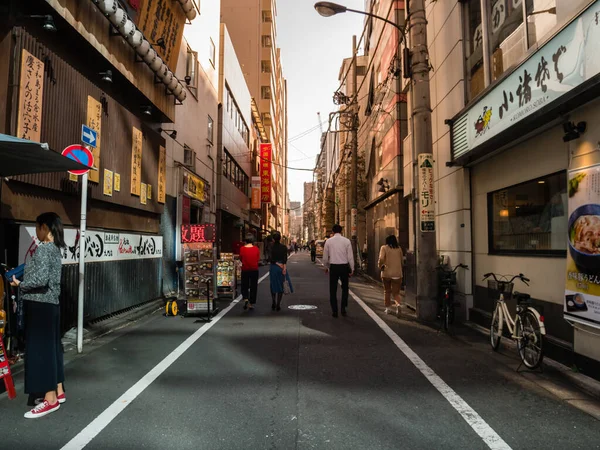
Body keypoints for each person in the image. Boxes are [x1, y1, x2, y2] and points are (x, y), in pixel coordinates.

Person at [10, 212, 66, 418]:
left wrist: (20, 284)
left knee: (40, 351)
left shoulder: (44, 250)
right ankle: (58, 391)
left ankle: (50, 399)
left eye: (37, 227)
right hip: (51, 305)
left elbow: (40, 279)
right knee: (51, 349)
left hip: (40, 305)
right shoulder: (55, 250)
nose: (36, 231)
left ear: (45, 227)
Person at [322, 224, 354, 318]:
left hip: (334, 267)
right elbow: (350, 257)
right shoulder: (346, 241)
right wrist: (352, 268)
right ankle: (343, 308)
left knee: (333, 289)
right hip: (344, 267)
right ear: (341, 231)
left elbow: (325, 257)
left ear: (332, 231)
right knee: (345, 288)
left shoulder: (328, 241)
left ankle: (334, 311)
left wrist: (326, 266)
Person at [378, 235, 404, 315]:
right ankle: (398, 305)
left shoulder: (384, 248)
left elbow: (381, 258)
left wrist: (380, 265)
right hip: (397, 273)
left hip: (386, 273)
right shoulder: (399, 248)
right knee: (396, 293)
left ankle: (388, 308)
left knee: (387, 291)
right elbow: (402, 261)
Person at [269, 232, 293, 311]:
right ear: (280, 239)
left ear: (273, 239)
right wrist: (284, 267)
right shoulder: (283, 247)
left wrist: (276, 263)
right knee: (281, 285)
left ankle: (273, 301)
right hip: (282, 267)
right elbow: (285, 258)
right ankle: (278, 304)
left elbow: (270, 259)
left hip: (274, 267)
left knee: (273, 285)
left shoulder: (271, 247)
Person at [239, 233, 260, 311]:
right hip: (254, 270)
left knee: (244, 285)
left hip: (245, 269)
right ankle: (251, 303)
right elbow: (257, 259)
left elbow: (241, 258)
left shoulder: (242, 249)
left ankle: (245, 298)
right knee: (253, 286)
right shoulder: (256, 249)